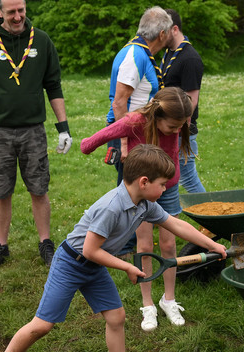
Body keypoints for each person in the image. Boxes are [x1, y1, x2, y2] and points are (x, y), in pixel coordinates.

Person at [0, 144, 226, 352]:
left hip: (93, 266)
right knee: (42, 326)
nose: (165, 189)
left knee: (116, 317)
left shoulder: (144, 204)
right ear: (144, 182)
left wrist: (212, 244)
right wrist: (127, 267)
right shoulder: (112, 207)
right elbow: (89, 249)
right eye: (162, 184)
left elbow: (175, 224)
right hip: (70, 263)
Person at [0, 0, 72, 271]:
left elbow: (53, 85)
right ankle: (1, 246)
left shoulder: (42, 40)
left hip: (33, 130)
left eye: (21, 10)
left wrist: (63, 127)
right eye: (11, 11)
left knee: (39, 188)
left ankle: (45, 243)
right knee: (2, 191)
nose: (17, 16)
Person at [82, 87, 193, 332]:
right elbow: (98, 137)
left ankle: (169, 299)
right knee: (144, 246)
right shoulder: (135, 122)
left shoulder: (175, 121)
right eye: (173, 127)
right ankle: (148, 304)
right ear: (158, 116)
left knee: (168, 244)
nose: (176, 132)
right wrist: (89, 146)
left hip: (168, 188)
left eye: (179, 127)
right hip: (141, 194)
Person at [105, 6, 172, 186]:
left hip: (134, 132)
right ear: (162, 34)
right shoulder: (135, 55)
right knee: (131, 194)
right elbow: (119, 103)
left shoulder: (140, 53)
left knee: (138, 193)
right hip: (127, 134)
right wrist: (125, 144)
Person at [162, 9, 205, 193]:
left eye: (163, 30)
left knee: (188, 178)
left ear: (175, 29)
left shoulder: (190, 58)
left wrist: (179, 131)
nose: (159, 34)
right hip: (171, 127)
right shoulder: (170, 52)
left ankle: (211, 217)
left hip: (181, 130)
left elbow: (191, 100)